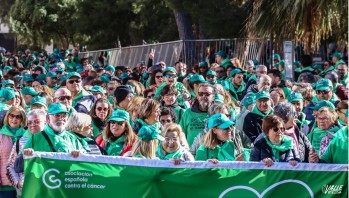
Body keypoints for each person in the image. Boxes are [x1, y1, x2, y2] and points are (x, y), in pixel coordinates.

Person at [6, 109, 46, 197]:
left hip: (48, 189)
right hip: (25, 192)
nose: (32, 125)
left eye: (37, 122)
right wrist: (19, 184)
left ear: (45, 123)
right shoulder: (20, 142)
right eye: (30, 122)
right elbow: (10, 166)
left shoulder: (52, 140)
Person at [0, 106, 26, 197]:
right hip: (5, 184)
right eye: (12, 116)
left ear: (23, 119)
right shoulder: (0, 135)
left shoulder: (27, 135)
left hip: (23, 183)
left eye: (18, 117)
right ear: (7, 117)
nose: (14, 119)